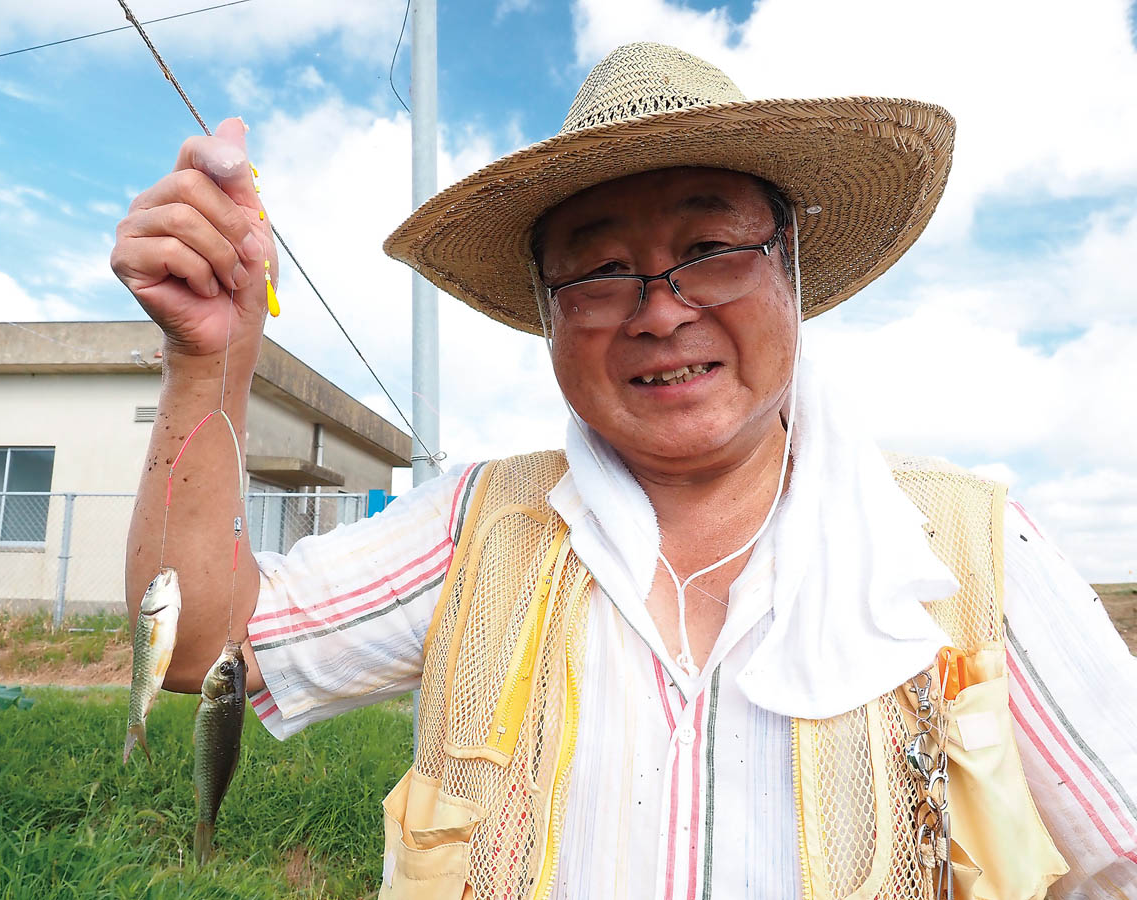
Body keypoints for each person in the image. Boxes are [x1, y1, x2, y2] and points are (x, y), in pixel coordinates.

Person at [113, 42, 1136, 900]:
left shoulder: (969, 552)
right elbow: (202, 649)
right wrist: (210, 357)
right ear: (549, 313)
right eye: (599, 268)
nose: (658, 309)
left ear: (792, 271)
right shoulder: (473, 528)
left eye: (711, 247)